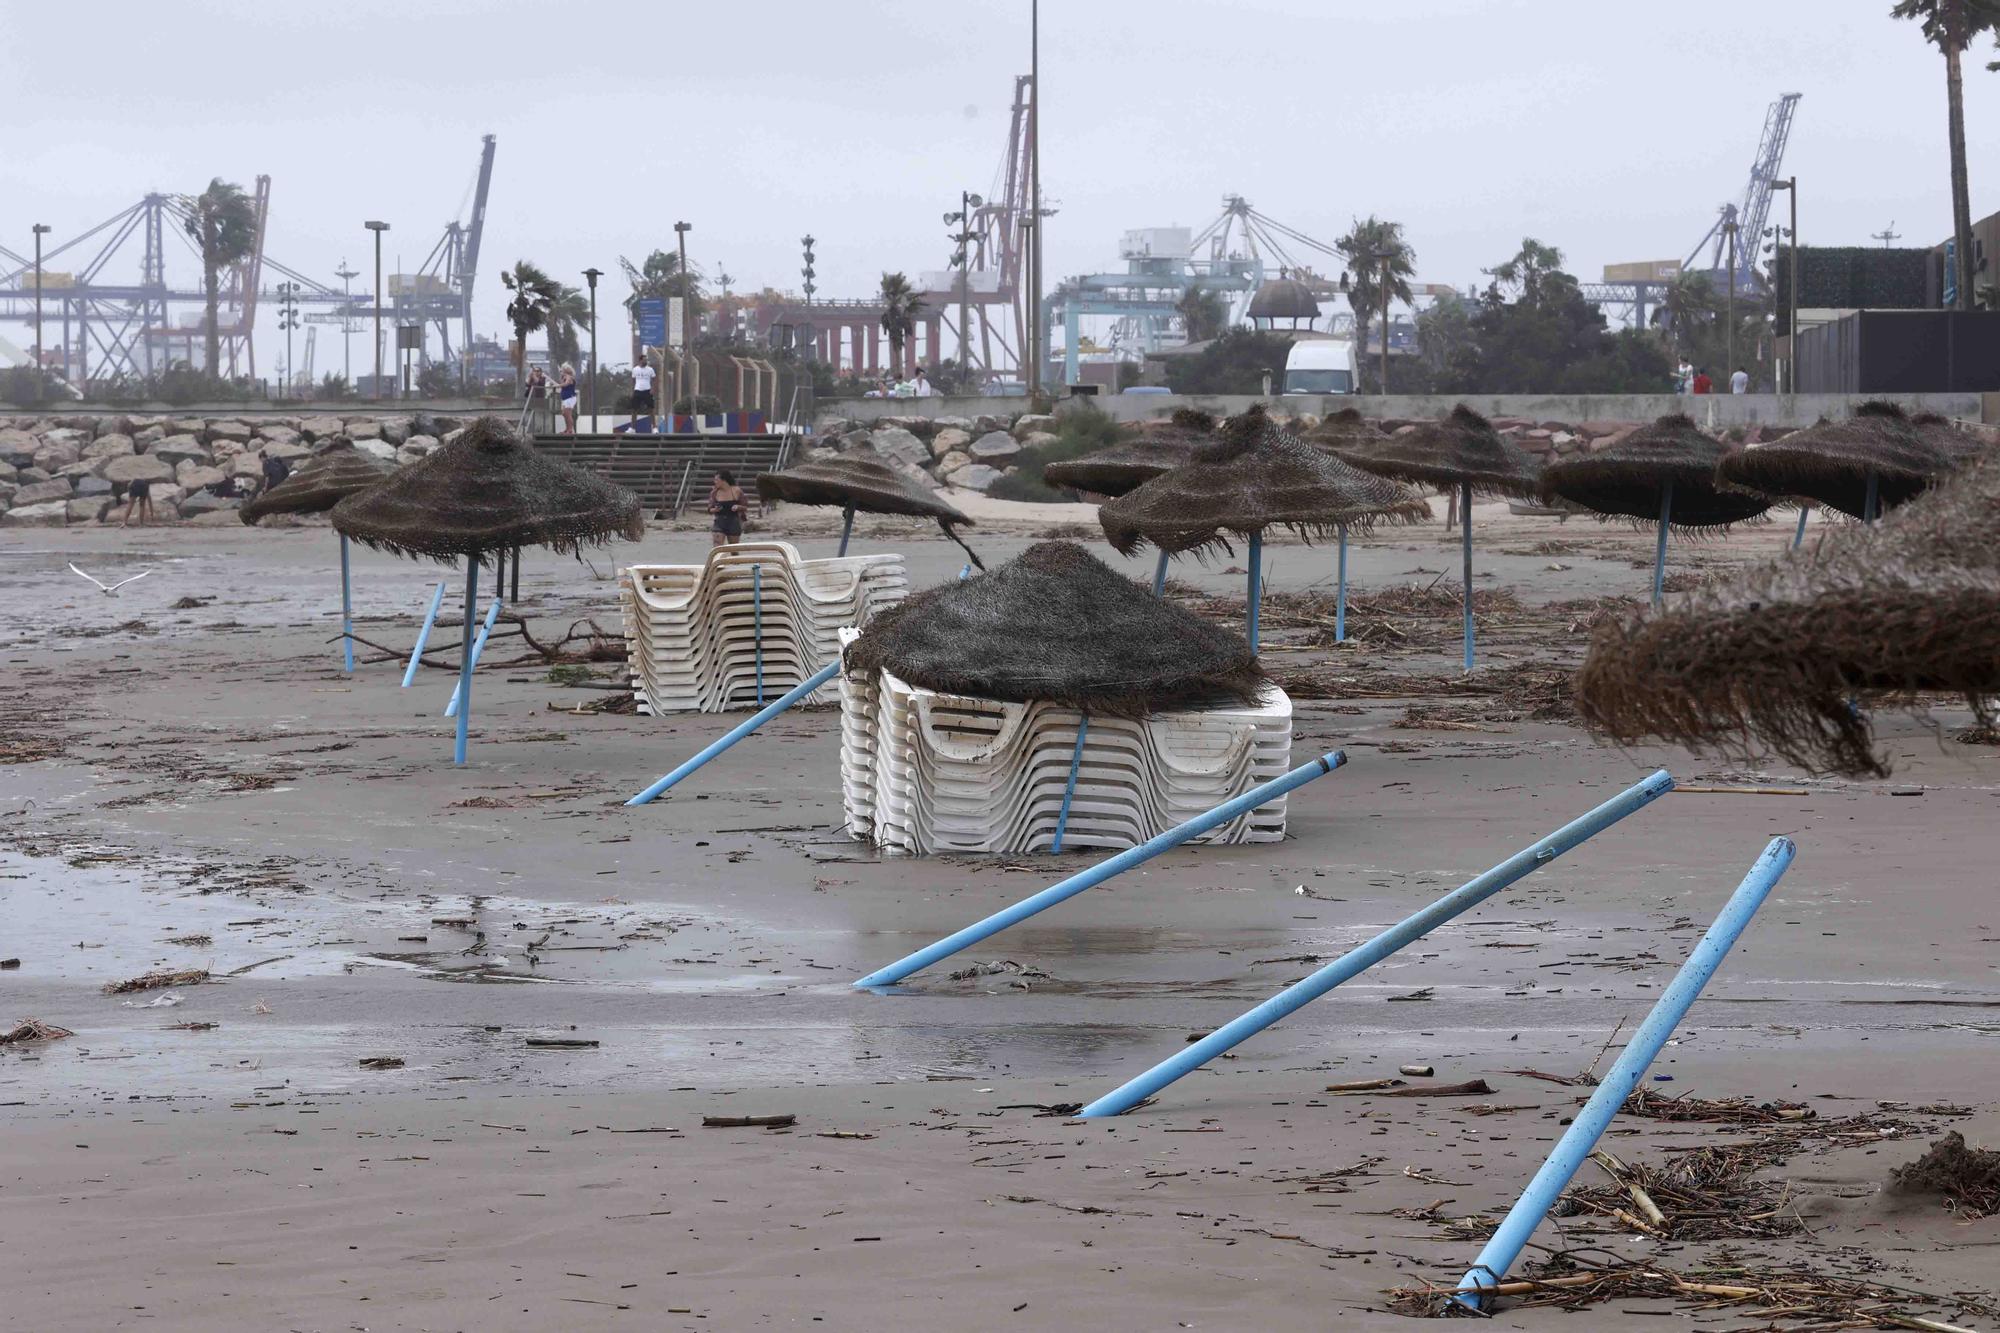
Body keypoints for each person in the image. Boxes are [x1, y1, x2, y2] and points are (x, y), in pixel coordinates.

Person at [708, 468, 745, 548]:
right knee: (717, 548)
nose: (715, 482)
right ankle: (717, 560)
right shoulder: (715, 492)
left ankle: (734, 560)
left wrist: (738, 507)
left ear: (724, 480)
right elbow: (709, 509)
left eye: (717, 480)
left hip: (733, 521)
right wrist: (715, 509)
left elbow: (745, 506)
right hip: (719, 521)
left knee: (734, 550)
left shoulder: (736, 490)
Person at [630, 352, 657, 428]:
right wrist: (632, 391)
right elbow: (633, 381)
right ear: (640, 361)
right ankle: (632, 428)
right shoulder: (635, 369)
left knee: (651, 409)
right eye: (644, 360)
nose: (646, 361)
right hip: (637, 390)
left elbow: (654, 379)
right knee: (634, 410)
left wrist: (652, 389)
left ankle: (654, 427)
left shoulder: (650, 369)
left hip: (647, 391)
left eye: (646, 360)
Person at [557, 363, 579, 434]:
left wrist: (557, 385)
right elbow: (563, 385)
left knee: (568, 414)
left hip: (570, 397)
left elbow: (566, 384)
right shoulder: (564, 377)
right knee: (564, 413)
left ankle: (570, 430)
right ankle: (567, 429)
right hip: (565, 398)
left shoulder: (569, 377)